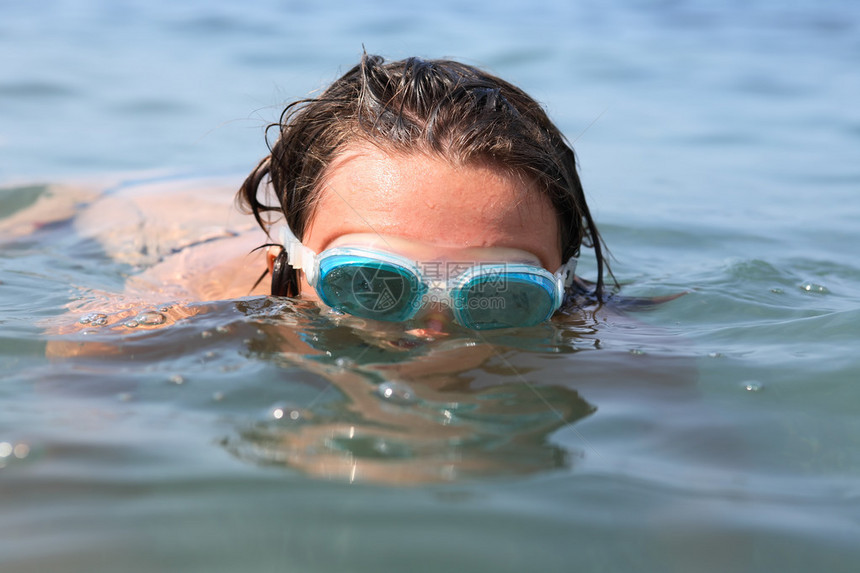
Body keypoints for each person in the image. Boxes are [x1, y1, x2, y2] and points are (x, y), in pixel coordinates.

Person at [237, 53, 613, 332]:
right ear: (287, 272)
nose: (432, 334)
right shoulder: (198, 316)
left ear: (561, 290)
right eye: (369, 281)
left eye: (495, 292)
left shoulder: (598, 329)